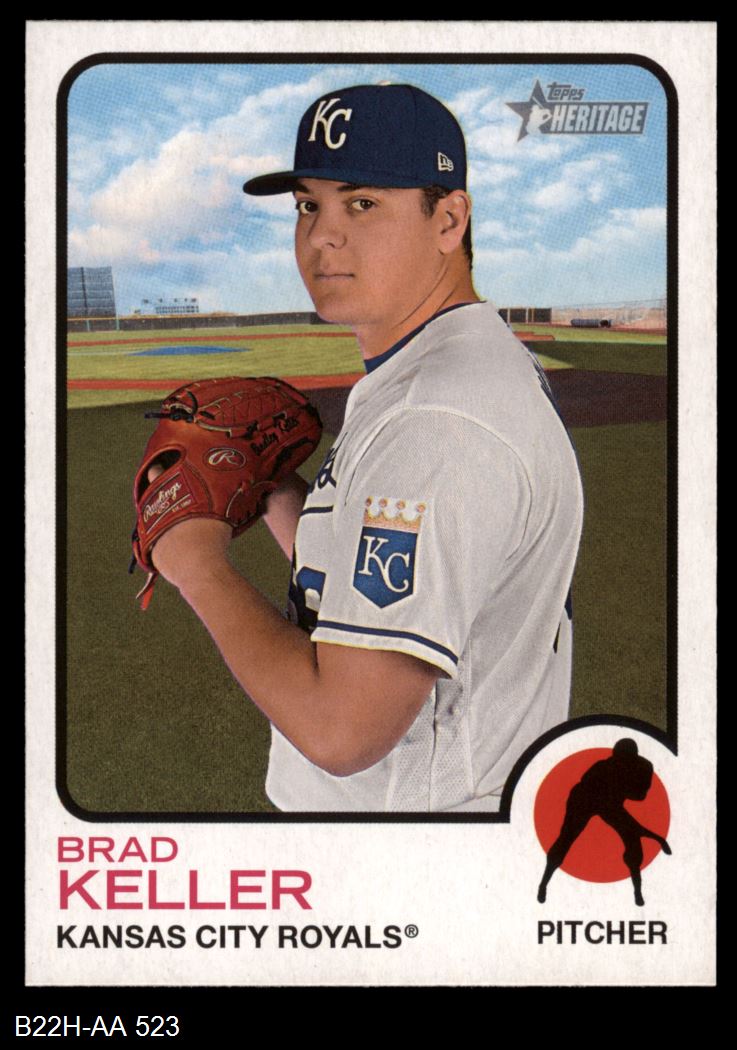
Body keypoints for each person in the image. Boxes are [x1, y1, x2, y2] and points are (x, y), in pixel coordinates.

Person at [148, 83, 584, 812]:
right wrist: (274, 487)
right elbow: (407, 581)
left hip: (408, 845)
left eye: (361, 203)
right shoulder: (452, 361)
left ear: (448, 219)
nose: (321, 236)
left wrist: (194, 566)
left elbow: (342, 730)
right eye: (307, 206)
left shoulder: (435, 421)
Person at [537, 738, 672, 906]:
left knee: (632, 839)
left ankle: (637, 890)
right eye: (617, 760)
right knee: (566, 838)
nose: (619, 763)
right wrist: (618, 787)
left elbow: (640, 795)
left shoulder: (643, 767)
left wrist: (618, 788)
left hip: (610, 803)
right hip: (586, 799)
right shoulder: (603, 766)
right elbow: (587, 784)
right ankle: (544, 883)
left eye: (623, 761)